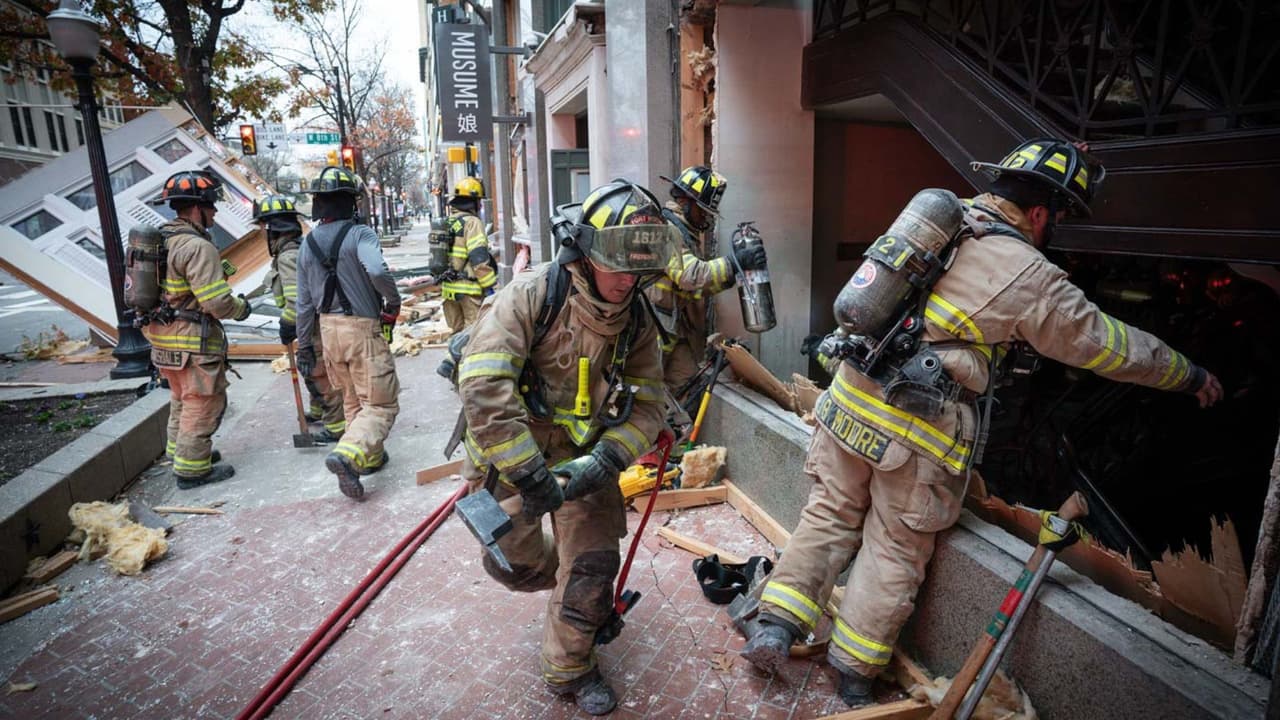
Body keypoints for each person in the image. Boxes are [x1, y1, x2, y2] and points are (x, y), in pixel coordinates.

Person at [741, 138, 1224, 707]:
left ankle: (776, 624)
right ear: (1042, 212)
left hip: (848, 402)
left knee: (829, 513)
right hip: (915, 433)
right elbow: (1110, 346)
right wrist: (1187, 375)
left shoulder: (940, 224)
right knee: (894, 547)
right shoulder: (1031, 274)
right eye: (1059, 218)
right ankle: (853, 672)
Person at [457, 179, 680, 715]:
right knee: (515, 565)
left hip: (586, 466)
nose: (629, 279)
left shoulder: (638, 323)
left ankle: (571, 668)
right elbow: (484, 386)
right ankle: (565, 587)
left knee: (590, 567)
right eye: (617, 262)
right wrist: (527, 471)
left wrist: (608, 458)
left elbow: (649, 404)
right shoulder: (534, 295)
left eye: (639, 266)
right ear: (584, 249)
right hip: (511, 458)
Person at [294, 167, 402, 499]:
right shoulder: (361, 235)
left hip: (328, 333)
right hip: (360, 329)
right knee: (382, 405)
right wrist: (393, 299)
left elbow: (303, 305)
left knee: (353, 400)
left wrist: (304, 347)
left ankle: (365, 460)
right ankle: (348, 455)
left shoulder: (305, 245)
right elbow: (376, 269)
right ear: (351, 203)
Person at [144, 170, 251, 488]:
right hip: (191, 342)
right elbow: (216, 303)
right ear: (197, 207)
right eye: (212, 204)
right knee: (203, 401)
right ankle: (192, 470)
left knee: (181, 399)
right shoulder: (196, 247)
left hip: (163, 339)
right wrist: (242, 308)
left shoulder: (161, 240)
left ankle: (184, 453)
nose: (215, 211)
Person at [648, 165, 766, 397]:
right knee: (647, 394)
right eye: (702, 211)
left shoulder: (684, 233)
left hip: (675, 332)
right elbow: (690, 276)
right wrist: (733, 263)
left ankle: (674, 430)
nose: (706, 219)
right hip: (653, 332)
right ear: (686, 201)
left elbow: (694, 291)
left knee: (685, 390)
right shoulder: (665, 230)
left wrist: (732, 274)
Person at [254, 194, 346, 443]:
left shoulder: (288, 257)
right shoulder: (294, 250)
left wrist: (287, 323)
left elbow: (297, 301)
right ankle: (318, 411)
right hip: (313, 324)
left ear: (274, 230)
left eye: (265, 228)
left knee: (319, 374)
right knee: (311, 370)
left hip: (311, 326)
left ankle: (337, 427)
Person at [440, 176, 497, 334]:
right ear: (472, 202)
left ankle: (456, 359)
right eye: (478, 201)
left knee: (457, 334)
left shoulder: (447, 222)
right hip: (469, 290)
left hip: (448, 290)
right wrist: (489, 286)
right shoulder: (472, 222)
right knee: (472, 335)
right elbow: (478, 258)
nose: (479, 205)